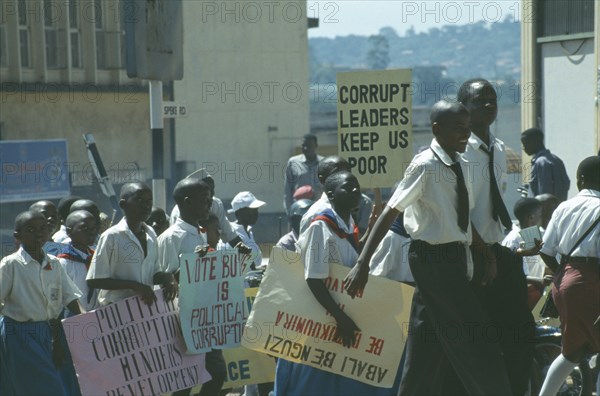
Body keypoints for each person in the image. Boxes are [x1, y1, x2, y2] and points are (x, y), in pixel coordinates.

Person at [344, 100, 511, 394]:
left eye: (467, 127)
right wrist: (362, 263)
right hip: (434, 260)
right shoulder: (424, 165)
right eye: (458, 128)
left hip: (455, 257)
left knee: (426, 347)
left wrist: (484, 251)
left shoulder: (458, 162)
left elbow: (458, 218)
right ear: (437, 129)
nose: (465, 134)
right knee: (476, 338)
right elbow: (390, 212)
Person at [275, 171, 392, 396]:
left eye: (358, 187)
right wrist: (341, 318)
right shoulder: (320, 226)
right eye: (348, 187)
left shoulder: (347, 223)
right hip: (321, 318)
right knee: (313, 386)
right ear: (330, 194)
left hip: (338, 315)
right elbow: (314, 279)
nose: (356, 191)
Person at [460, 78, 535, 395]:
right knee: (479, 342)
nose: (490, 105)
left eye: (493, 99)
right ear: (464, 108)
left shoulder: (501, 150)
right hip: (472, 258)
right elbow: (460, 213)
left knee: (521, 333)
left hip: (502, 253)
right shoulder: (460, 153)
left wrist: (530, 238)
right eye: (481, 100)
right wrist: (486, 256)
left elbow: (516, 202)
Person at [0, 210, 82, 395]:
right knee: (47, 387)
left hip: (50, 331)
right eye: (30, 229)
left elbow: (69, 297)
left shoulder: (54, 263)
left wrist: (87, 317)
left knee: (53, 381)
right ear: (17, 236)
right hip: (20, 332)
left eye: (43, 229)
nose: (38, 233)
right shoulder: (11, 264)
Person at [157, 179, 226, 396]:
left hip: (205, 316)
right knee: (185, 379)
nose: (209, 205)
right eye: (205, 201)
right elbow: (164, 279)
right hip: (182, 318)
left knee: (217, 373)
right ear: (187, 203)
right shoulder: (171, 237)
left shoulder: (201, 232)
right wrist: (193, 266)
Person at [538, 156, 600, 396]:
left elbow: (545, 250)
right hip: (591, 281)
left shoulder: (563, 206)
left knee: (572, 351)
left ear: (581, 180)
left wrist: (561, 276)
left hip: (564, 280)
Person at [86, 182, 177, 307]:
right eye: (139, 199)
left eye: (149, 200)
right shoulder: (111, 236)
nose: (146, 205)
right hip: (117, 311)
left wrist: (167, 277)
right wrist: (134, 286)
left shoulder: (151, 234)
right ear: (123, 204)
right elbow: (93, 280)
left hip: (144, 310)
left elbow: (153, 274)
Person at [170, 171, 249, 253]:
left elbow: (229, 232)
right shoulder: (180, 210)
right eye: (206, 190)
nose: (212, 193)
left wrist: (244, 252)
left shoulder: (216, 204)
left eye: (212, 189)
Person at [501, 198, 546, 309]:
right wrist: (540, 281)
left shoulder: (535, 235)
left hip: (535, 292)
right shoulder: (514, 240)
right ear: (531, 218)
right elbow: (510, 273)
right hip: (520, 294)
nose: (542, 219)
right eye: (540, 215)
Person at [57, 210, 100, 314]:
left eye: (94, 228)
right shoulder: (62, 262)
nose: (91, 232)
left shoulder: (97, 256)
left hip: (99, 313)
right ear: (69, 232)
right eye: (84, 228)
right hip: (73, 316)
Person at [299, 156, 352, 235]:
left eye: (347, 172)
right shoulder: (315, 215)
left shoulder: (345, 210)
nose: (345, 177)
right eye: (338, 173)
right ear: (322, 179)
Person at [521, 127, 570, 201]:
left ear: (535, 142)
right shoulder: (557, 160)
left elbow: (544, 195)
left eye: (526, 144)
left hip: (546, 210)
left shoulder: (541, 163)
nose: (524, 148)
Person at [283, 134, 324, 214]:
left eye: (309, 146)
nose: (306, 148)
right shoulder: (293, 162)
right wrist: (289, 213)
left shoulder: (324, 163)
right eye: (303, 145)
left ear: (316, 146)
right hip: (299, 210)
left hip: (319, 210)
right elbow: (287, 190)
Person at [230, 191, 266, 269]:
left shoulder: (249, 232)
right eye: (252, 210)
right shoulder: (231, 233)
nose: (256, 213)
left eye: (256, 210)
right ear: (239, 213)